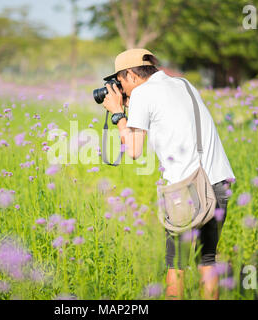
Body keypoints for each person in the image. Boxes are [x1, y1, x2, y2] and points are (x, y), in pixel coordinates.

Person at [101, 48, 236, 300]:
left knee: (176, 264)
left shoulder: (142, 93)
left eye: (119, 81)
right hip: (219, 181)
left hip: (187, 188)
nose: (120, 87)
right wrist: (129, 105)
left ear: (130, 74)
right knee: (207, 259)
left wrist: (119, 114)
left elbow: (132, 150)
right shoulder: (182, 84)